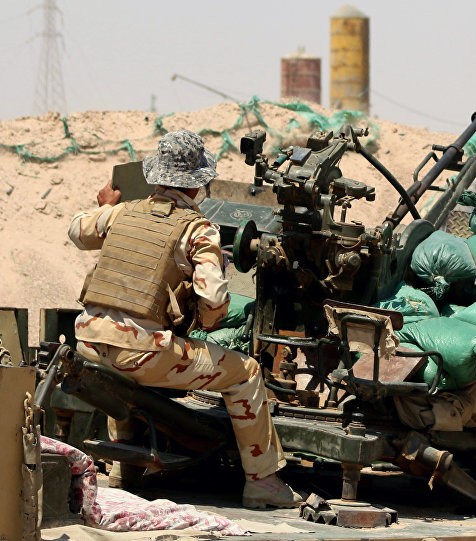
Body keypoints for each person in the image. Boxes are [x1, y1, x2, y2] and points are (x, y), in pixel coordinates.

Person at [68, 129, 302, 509]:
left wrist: (102, 204)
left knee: (126, 364)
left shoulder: (121, 212)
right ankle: (263, 482)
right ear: (198, 185)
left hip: (90, 346)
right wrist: (208, 323)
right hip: (143, 355)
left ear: (155, 176)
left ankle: (123, 467)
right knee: (245, 372)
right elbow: (214, 300)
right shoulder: (197, 229)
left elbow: (77, 230)